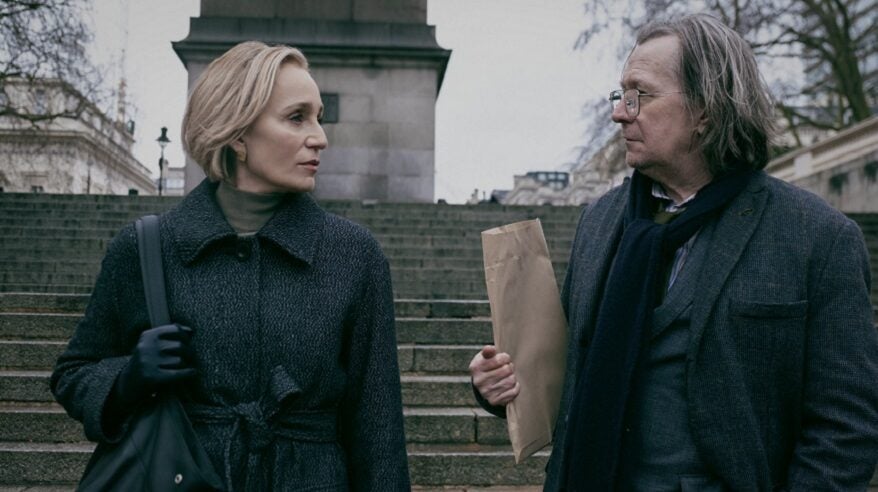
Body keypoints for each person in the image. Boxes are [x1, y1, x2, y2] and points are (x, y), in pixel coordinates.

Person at [470, 14, 878, 491]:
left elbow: (846, 427)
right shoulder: (600, 220)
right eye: (619, 95)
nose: (620, 112)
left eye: (639, 95)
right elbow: (568, 373)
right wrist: (499, 386)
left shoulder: (817, 237)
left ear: (706, 109)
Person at [51, 41, 410, 490]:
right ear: (237, 134)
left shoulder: (354, 256)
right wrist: (127, 377)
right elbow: (73, 374)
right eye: (297, 117)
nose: (320, 136)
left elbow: (377, 428)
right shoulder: (146, 249)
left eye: (318, 116)